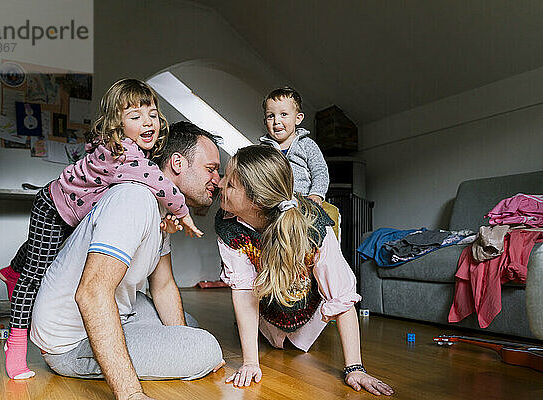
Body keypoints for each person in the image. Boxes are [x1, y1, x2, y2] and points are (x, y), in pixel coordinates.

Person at [0, 79, 204, 380]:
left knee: (52, 257)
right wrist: (183, 212)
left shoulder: (132, 155)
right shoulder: (124, 156)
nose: (147, 123)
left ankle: (14, 268)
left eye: (151, 114)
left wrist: (162, 225)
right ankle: (15, 343)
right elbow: (161, 184)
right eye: (135, 117)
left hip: (77, 212)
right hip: (55, 207)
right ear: (117, 126)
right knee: (35, 275)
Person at [30, 121, 224, 400]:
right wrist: (131, 394)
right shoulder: (134, 200)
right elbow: (91, 293)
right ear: (178, 163)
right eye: (210, 169)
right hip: (70, 342)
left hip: (118, 310)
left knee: (189, 327)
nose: (216, 179)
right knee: (207, 349)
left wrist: (181, 342)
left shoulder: (161, 207)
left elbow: (164, 285)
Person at [215, 145, 393, 396]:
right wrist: (250, 362)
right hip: (266, 313)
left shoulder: (313, 225)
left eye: (230, 184)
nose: (220, 184)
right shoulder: (229, 226)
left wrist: (355, 368)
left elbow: (341, 296)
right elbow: (244, 292)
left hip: (308, 314)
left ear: (256, 200)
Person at [259, 87, 329, 205]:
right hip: (273, 202)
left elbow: (320, 171)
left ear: (298, 118)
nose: (276, 121)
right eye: (271, 116)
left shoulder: (307, 144)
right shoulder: (263, 149)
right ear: (265, 121)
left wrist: (316, 194)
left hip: (303, 200)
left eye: (284, 114)